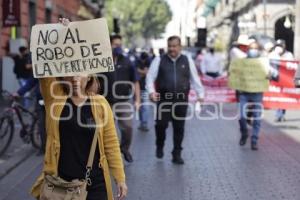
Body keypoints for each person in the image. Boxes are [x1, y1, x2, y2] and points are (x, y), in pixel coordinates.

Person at [30, 18, 127, 200]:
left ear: (89, 76)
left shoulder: (100, 103)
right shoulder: (55, 98)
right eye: (70, 71)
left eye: (80, 72)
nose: (75, 78)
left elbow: (111, 144)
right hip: (60, 185)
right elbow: (44, 71)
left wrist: (120, 178)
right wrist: (61, 33)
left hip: (94, 184)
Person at [146, 36, 204, 164]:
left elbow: (195, 79)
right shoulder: (159, 59)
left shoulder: (187, 60)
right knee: (161, 125)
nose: (172, 49)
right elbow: (150, 78)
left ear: (180, 47)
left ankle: (176, 153)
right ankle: (159, 145)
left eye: (174, 46)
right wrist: (151, 92)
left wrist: (200, 94)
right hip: (164, 100)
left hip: (181, 100)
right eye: (170, 46)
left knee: (179, 128)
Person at [99, 34, 140, 163]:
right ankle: (108, 157)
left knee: (128, 128)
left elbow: (135, 81)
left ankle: (125, 148)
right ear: (109, 45)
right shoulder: (101, 61)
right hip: (106, 102)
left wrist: (137, 99)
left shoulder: (127, 61)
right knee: (107, 131)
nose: (118, 47)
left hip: (123, 101)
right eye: (115, 45)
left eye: (120, 45)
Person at [238, 41, 276, 151]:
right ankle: (244, 133)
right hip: (244, 92)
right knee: (242, 116)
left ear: (258, 50)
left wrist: (269, 74)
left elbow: (272, 73)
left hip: (257, 93)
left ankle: (254, 140)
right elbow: (235, 74)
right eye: (251, 48)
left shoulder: (263, 62)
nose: (253, 51)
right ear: (248, 50)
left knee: (257, 118)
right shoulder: (242, 62)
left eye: (255, 48)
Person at [269, 39, 294, 122]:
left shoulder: (289, 55)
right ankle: (277, 114)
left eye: (280, 46)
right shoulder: (272, 55)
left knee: (284, 97)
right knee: (277, 96)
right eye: (277, 46)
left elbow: (292, 65)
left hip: (285, 79)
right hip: (275, 79)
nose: (279, 48)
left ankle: (282, 114)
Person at [136, 51, 151, 132]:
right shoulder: (137, 61)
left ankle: (144, 123)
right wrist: (143, 72)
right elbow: (139, 72)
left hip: (145, 87)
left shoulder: (149, 61)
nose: (143, 61)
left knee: (145, 106)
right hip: (137, 88)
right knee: (140, 107)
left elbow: (146, 73)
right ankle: (142, 123)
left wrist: (140, 72)